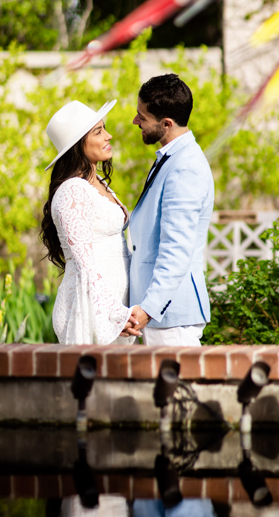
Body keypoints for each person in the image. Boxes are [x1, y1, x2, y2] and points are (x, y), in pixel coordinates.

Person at [123, 73, 214, 346]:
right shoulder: (171, 157)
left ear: (166, 124)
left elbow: (176, 249)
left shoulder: (186, 167)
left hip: (171, 318)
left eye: (142, 116)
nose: (135, 121)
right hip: (163, 316)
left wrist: (148, 308)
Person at [40, 99, 135, 345]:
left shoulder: (99, 183)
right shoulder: (72, 192)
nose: (109, 135)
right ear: (77, 144)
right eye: (98, 131)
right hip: (90, 309)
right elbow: (86, 265)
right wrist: (114, 314)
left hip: (115, 303)